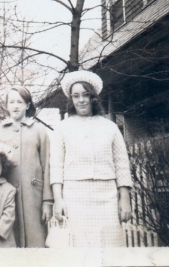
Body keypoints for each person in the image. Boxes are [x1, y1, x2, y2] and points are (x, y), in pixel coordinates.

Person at [50, 70, 133, 247]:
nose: (81, 100)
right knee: (80, 248)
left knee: (109, 248)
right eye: (76, 96)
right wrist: (58, 199)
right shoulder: (62, 128)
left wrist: (124, 198)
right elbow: (56, 167)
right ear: (71, 99)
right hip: (75, 196)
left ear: (93, 97)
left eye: (85, 95)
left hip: (107, 195)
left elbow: (121, 164)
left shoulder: (110, 127)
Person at [0, 86, 53, 248]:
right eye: (11, 102)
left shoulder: (39, 130)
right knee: (10, 242)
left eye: (20, 102)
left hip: (34, 196)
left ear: (27, 105)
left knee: (36, 243)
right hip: (6, 196)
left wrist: (47, 201)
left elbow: (48, 165)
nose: (15, 106)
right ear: (6, 105)